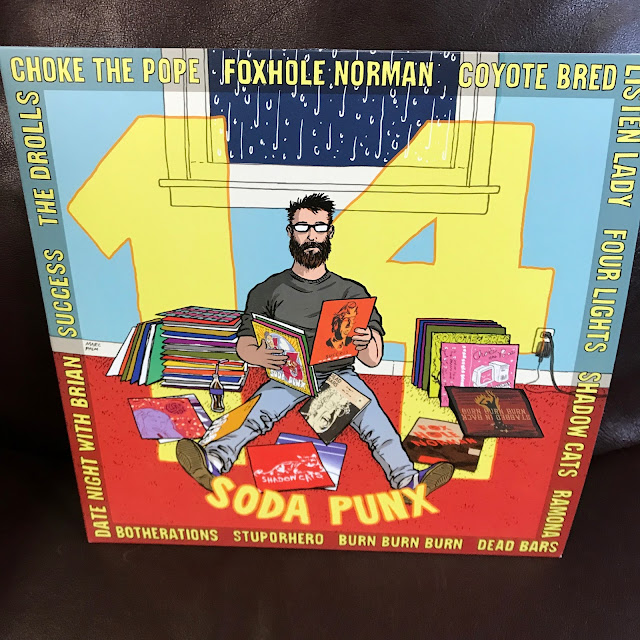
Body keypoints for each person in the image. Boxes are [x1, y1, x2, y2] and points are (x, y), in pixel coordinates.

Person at [176, 193, 454, 495]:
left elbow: (373, 359)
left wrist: (365, 341)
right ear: (290, 232)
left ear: (330, 232)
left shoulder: (352, 291)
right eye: (303, 227)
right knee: (254, 413)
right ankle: (213, 460)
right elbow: (244, 345)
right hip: (288, 376)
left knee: (375, 423)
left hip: (337, 377)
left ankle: (408, 483)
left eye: (319, 227)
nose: (311, 235)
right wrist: (260, 356)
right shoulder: (267, 290)